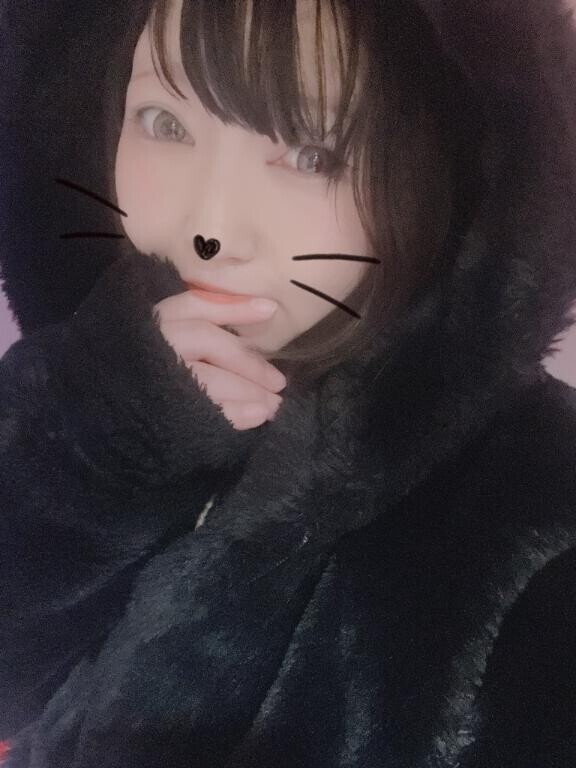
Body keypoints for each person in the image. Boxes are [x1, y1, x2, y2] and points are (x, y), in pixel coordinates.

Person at [0, 0, 575, 765]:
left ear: (449, 166)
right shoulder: (81, 383)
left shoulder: (540, 530)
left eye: (311, 154)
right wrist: (100, 439)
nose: (209, 227)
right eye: (164, 122)